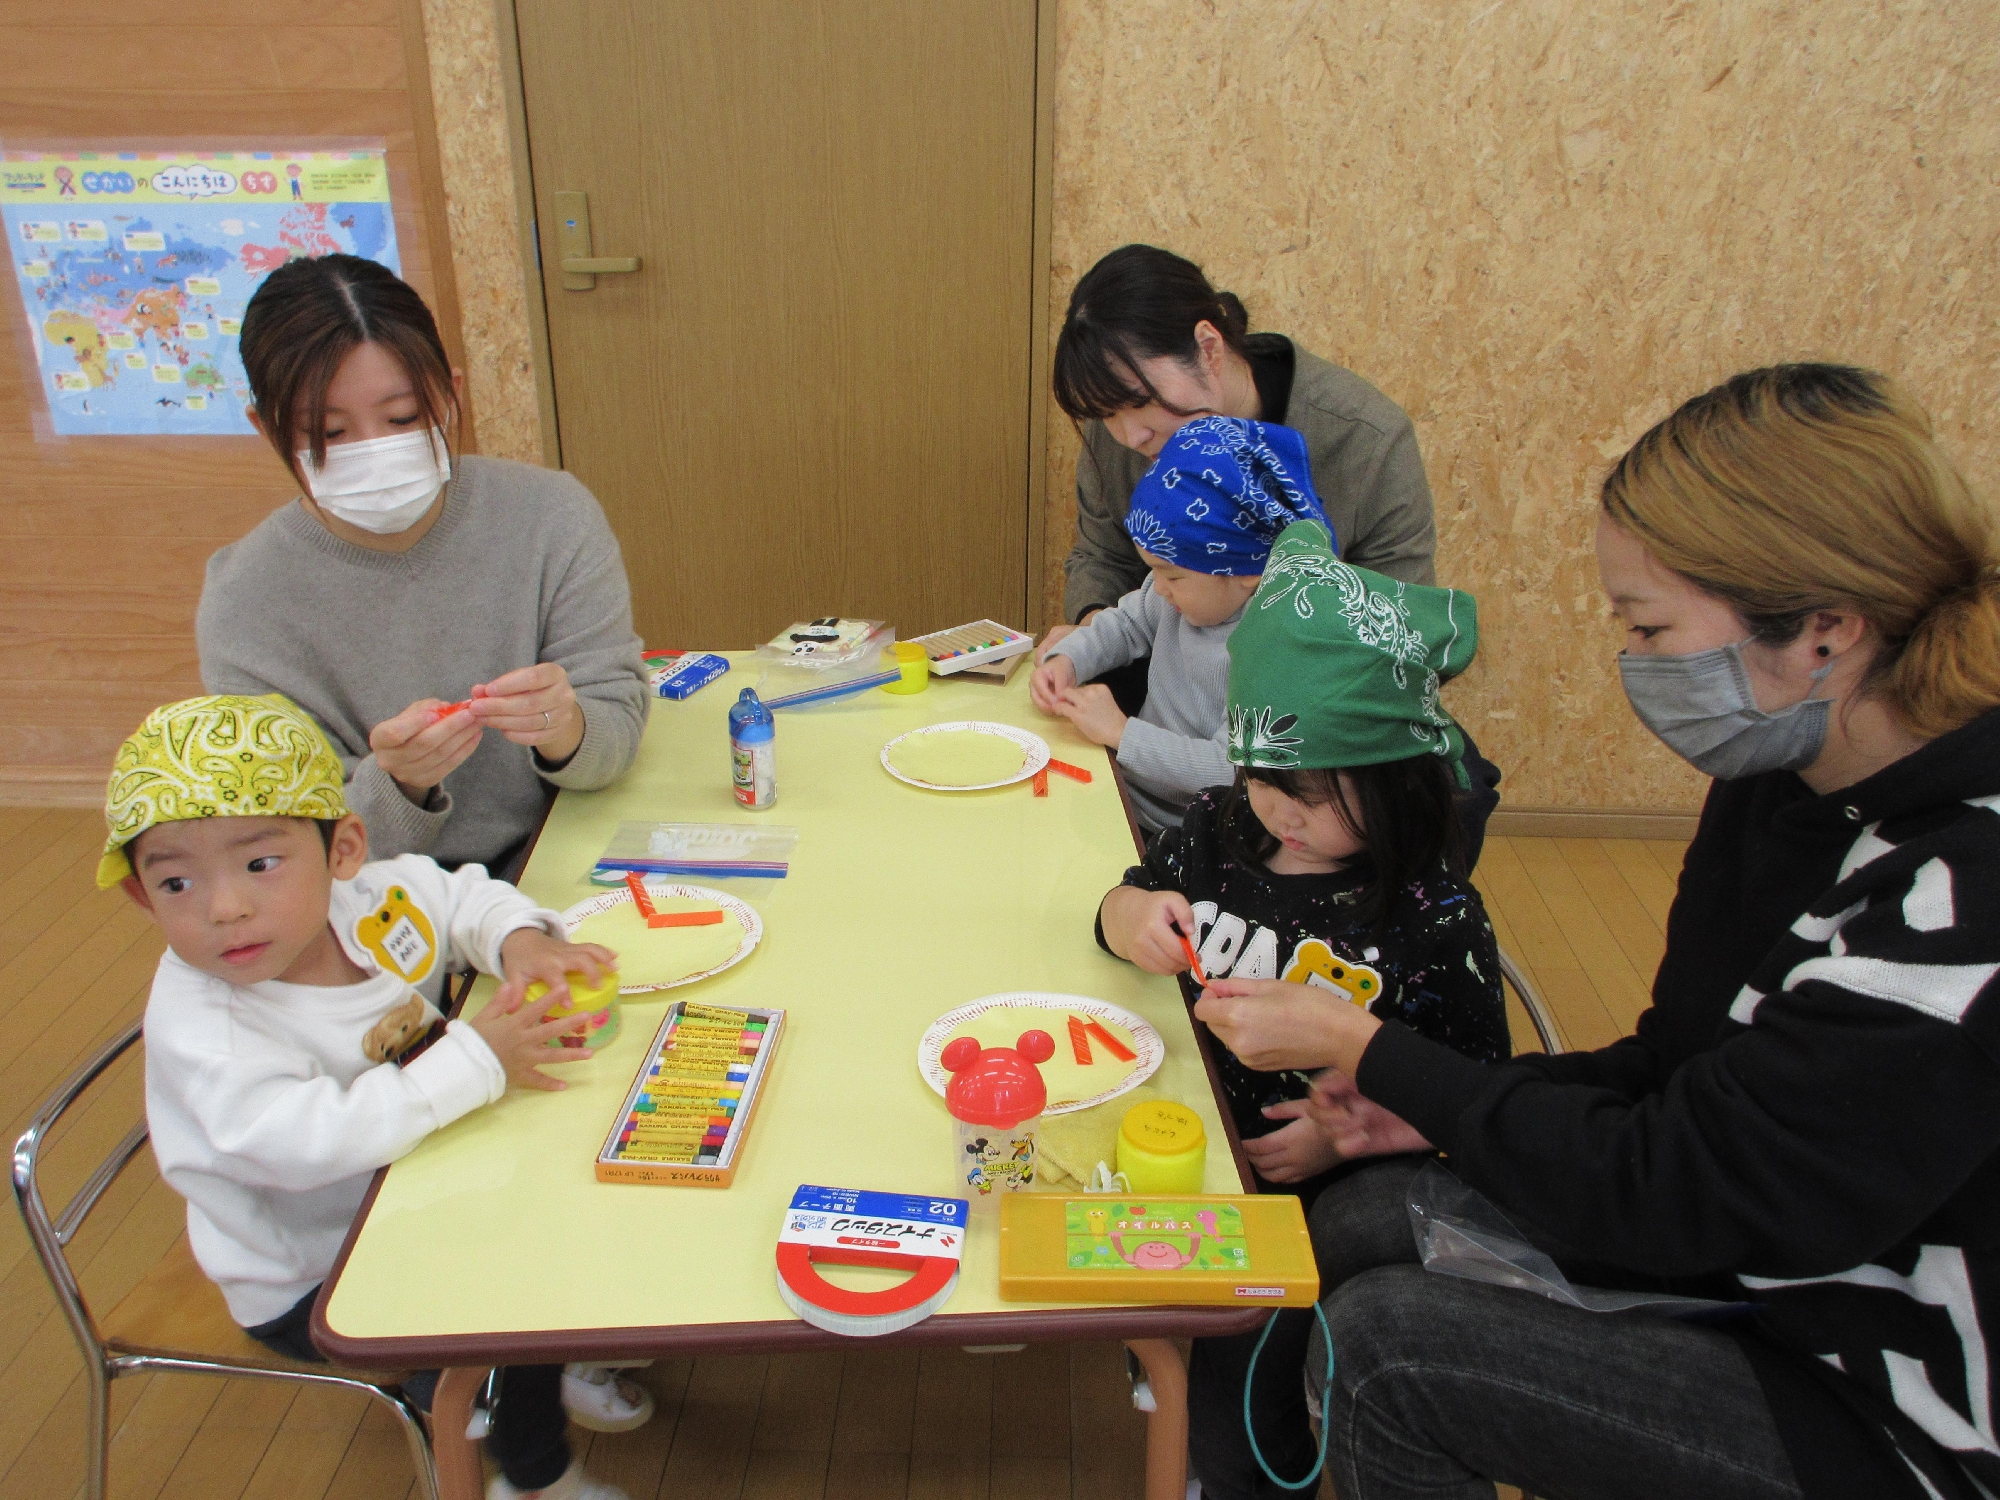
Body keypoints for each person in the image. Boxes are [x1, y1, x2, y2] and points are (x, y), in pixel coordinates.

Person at [1196, 364, 2000, 1500]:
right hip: (1760, 1248)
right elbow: (1683, 1069)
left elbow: (1680, 1190)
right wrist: (1425, 1100)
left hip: (1897, 1402)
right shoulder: (1783, 786)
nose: (1632, 661)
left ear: (1823, 630)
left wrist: (1377, 1055)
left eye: (1650, 626)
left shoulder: (1956, 900)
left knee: (1392, 1353)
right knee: (1364, 1210)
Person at [108, 693, 649, 1500]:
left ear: (344, 850)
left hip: (415, 1178)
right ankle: (535, 1475)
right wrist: (475, 1057)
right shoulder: (210, 1029)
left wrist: (520, 940)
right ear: (141, 897)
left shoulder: (365, 899)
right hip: (314, 1270)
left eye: (260, 864)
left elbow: (461, 898)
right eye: (177, 882)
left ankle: (528, 1366)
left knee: (556, 1203)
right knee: (516, 1297)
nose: (226, 908)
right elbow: (305, 1143)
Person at [1094, 518, 1507, 1492]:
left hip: (1303, 1207)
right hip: (1178, 1144)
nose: (1279, 809)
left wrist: (1340, 1137)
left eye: (1314, 793)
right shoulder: (1216, 828)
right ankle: (1161, 1366)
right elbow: (1122, 900)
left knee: (1241, 1407)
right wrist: (1128, 914)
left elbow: (1476, 1091)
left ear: (1399, 781)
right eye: (1263, 775)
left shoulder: (1431, 915)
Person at [198, 254, 649, 878]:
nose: (374, 451)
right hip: (372, 894)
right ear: (267, 428)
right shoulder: (244, 601)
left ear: (449, 392)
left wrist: (566, 726)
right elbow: (288, 836)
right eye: (328, 431)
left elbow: (616, 723)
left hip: (555, 863)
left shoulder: (550, 516)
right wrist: (398, 783)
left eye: (403, 418)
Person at [1041, 243, 1437, 663]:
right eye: (1106, 413)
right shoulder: (1121, 429)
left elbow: (1405, 632)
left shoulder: (1368, 442)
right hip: (1154, 686)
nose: (1131, 435)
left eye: (1140, 401)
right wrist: (1095, 642)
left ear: (1209, 348)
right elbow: (1103, 557)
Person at [1030, 416, 1328, 831]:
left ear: (1246, 572)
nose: (1158, 587)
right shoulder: (1175, 595)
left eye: (1172, 576)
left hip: (1195, 832)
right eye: (1153, 570)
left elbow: (1230, 768)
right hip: (1126, 793)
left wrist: (1122, 733)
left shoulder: (1274, 652)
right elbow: (1125, 624)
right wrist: (1068, 660)